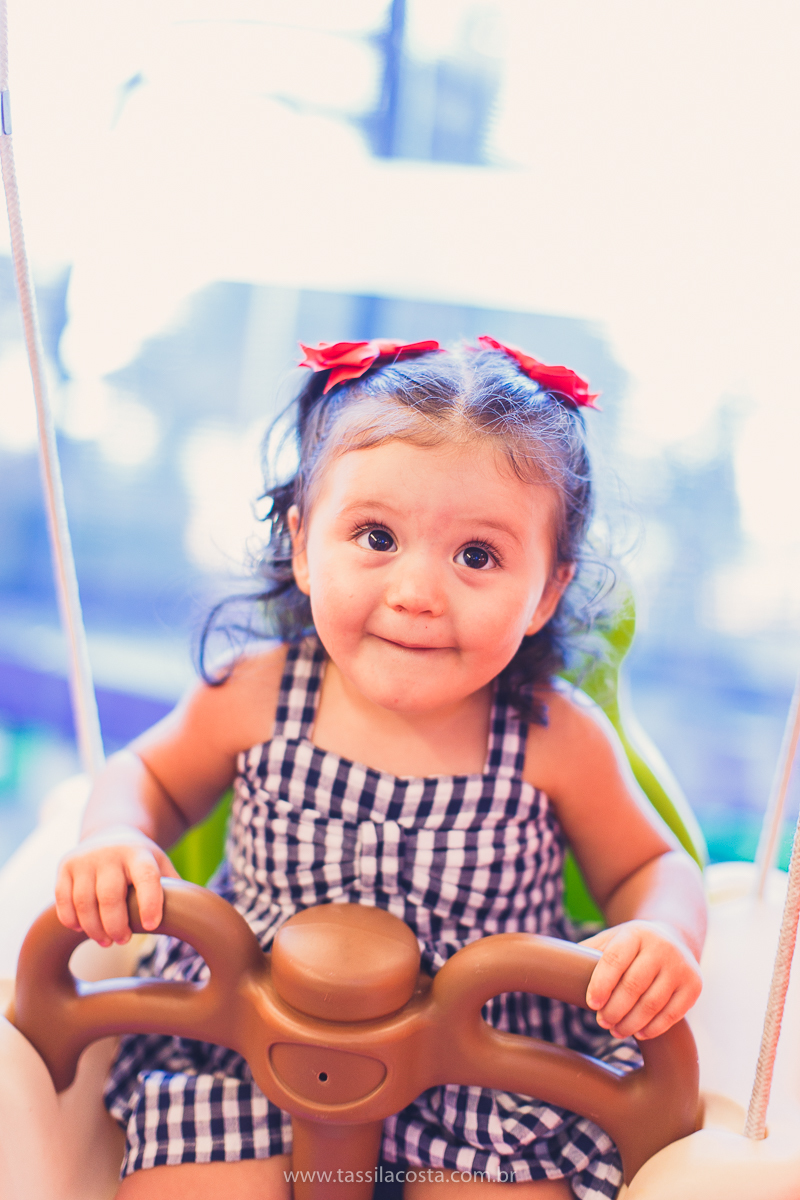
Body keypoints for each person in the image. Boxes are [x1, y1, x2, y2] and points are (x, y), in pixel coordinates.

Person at [55, 337, 706, 1200]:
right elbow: (150, 777)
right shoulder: (255, 693)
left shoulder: (554, 736)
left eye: (477, 556)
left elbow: (651, 866)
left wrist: (661, 935)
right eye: (376, 537)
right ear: (302, 544)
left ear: (547, 590)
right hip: (248, 1033)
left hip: (486, 1066)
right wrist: (114, 836)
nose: (417, 593)